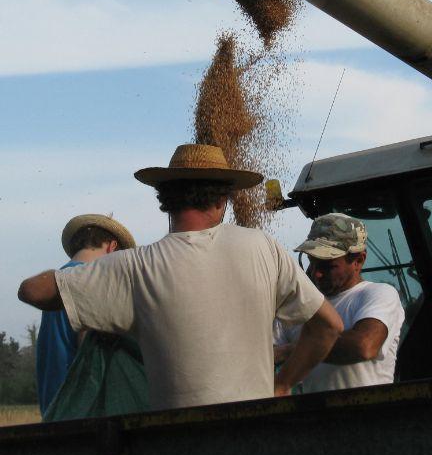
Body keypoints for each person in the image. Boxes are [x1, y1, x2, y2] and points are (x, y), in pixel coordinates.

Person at [19, 144, 342, 410]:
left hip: (177, 448)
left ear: (165, 200)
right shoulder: (263, 247)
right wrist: (283, 385)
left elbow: (33, 292)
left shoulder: (135, 268)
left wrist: (84, 270)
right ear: (221, 200)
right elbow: (329, 327)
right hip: (255, 438)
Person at [273, 213, 405, 392]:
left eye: (328, 266)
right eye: (312, 263)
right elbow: (269, 353)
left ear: (359, 260)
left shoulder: (378, 294)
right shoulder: (299, 305)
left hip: (369, 416)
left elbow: (364, 346)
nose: (316, 273)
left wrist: (293, 352)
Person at [35, 214, 136, 415]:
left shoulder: (55, 285)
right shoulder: (94, 284)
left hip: (54, 410)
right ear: (112, 247)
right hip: (83, 413)